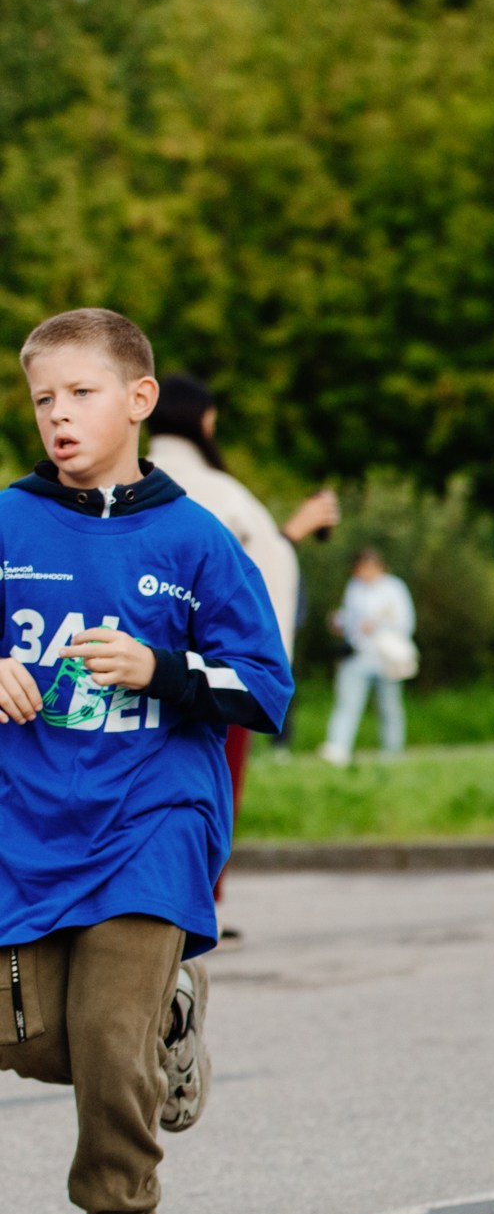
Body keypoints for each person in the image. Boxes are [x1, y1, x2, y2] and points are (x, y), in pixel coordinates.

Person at [0, 309, 291, 1214]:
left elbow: (266, 690)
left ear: (138, 399)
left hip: (153, 823)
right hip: (25, 823)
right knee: (36, 1032)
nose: (58, 416)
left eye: (80, 394)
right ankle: (172, 1018)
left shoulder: (196, 540)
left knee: (107, 1030)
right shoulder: (7, 523)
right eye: (43, 398)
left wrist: (163, 669)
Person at [146, 374, 339, 918]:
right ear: (201, 421)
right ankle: (200, 902)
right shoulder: (217, 490)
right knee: (213, 790)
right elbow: (239, 573)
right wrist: (294, 532)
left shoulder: (134, 480)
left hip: (142, 667)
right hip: (212, 670)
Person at [318, 547, 414, 767]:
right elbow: (350, 618)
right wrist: (339, 621)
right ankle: (338, 747)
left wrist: (379, 625)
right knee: (347, 703)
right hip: (358, 654)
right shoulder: (355, 588)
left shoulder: (394, 587)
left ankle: (392, 752)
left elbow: (406, 622)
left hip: (385, 656)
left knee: (389, 706)